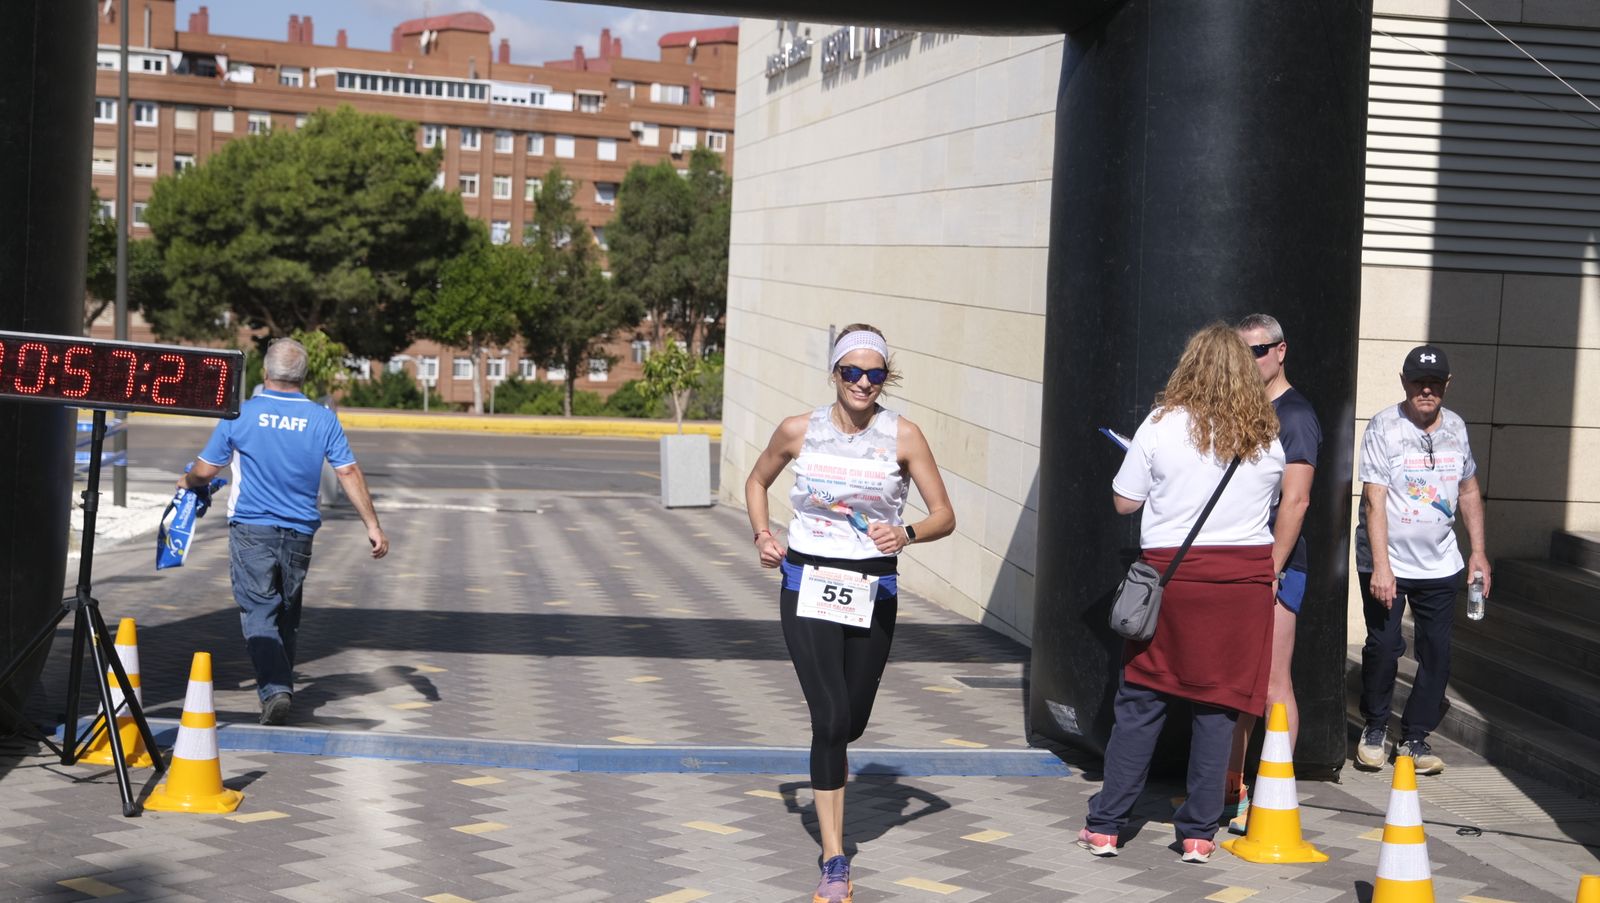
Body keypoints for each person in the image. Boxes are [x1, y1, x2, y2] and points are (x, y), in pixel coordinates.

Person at [744, 324, 955, 903]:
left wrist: (906, 533)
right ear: (834, 373)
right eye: (851, 371)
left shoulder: (903, 435)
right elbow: (757, 480)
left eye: (874, 373)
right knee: (831, 719)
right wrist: (763, 534)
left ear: (886, 377)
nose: (863, 382)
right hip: (807, 581)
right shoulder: (799, 430)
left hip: (873, 588)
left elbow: (944, 514)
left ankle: (833, 753)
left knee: (852, 721)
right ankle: (835, 858)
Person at [1079, 323, 1285, 865]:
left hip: (1173, 580)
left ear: (1189, 366)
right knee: (1218, 710)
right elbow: (1270, 502)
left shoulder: (1161, 423)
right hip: (1242, 588)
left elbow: (1125, 501)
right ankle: (1197, 834)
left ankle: (1106, 827)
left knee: (1141, 703)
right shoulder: (1265, 433)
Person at [178, 338, 389, 726]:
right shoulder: (322, 419)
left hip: (252, 527)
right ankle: (279, 688)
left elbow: (205, 470)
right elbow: (347, 471)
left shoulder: (240, 413)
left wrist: (188, 481)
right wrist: (372, 525)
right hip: (300, 531)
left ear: (265, 372)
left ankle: (276, 690)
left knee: (259, 609)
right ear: (304, 376)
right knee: (287, 613)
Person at [1354, 344, 1488, 776]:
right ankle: (1375, 727)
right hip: (1387, 562)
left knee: (1437, 654)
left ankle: (1414, 737)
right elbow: (1374, 500)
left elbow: (1468, 490)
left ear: (1447, 384)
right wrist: (1382, 566)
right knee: (1384, 647)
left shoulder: (1456, 428)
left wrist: (1478, 553)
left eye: (1434, 383)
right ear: (1404, 383)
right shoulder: (1384, 427)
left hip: (1441, 563)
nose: (1426, 390)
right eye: (1417, 382)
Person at [1224, 314, 1321, 828]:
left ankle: (1271, 800)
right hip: (1241, 559)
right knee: (1235, 685)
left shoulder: (1296, 415)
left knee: (1271, 686)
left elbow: (1296, 500)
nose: (1249, 361)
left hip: (1276, 566)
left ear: (1281, 351)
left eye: (1258, 350)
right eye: (1241, 352)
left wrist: (1271, 569)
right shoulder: (1245, 409)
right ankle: (1229, 791)